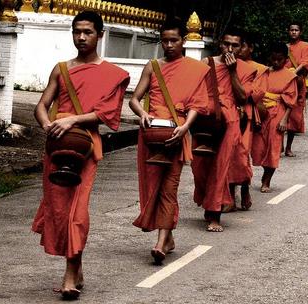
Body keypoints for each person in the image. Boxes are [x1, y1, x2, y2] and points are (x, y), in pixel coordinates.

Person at [32, 11, 130, 300]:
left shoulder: (113, 74)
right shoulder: (61, 69)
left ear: (100, 34)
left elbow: (107, 114)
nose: (81, 37)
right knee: (59, 210)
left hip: (84, 146)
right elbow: (41, 105)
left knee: (77, 211)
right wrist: (48, 124)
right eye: (76, 32)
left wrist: (72, 120)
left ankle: (70, 275)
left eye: (87, 32)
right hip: (57, 145)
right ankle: (77, 265)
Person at [129, 17, 210, 264]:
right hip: (153, 135)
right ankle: (169, 235)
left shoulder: (194, 69)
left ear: (183, 41)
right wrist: (143, 114)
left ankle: (161, 241)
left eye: (174, 40)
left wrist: (185, 127)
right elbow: (134, 99)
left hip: (177, 133)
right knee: (153, 186)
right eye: (165, 41)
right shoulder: (153, 66)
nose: (169, 45)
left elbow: (197, 103)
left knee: (169, 188)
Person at [191, 27, 256, 231]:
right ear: (220, 43)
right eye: (226, 44)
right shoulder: (205, 63)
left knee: (220, 168)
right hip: (204, 118)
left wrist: (233, 70)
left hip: (229, 122)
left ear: (241, 47)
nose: (230, 48)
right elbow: (194, 89)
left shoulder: (245, 69)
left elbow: (242, 97)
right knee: (199, 166)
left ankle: (214, 215)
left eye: (235, 45)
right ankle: (207, 200)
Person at [225, 34, 267, 212]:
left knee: (241, 157)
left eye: (239, 46)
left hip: (245, 116)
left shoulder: (258, 69)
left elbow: (257, 93)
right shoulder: (220, 65)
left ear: (248, 48)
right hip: (225, 115)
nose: (233, 50)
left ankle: (244, 188)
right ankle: (229, 197)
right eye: (228, 45)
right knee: (227, 157)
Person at [252, 42, 298, 193]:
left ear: (285, 60)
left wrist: (285, 119)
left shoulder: (290, 76)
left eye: (280, 60)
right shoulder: (262, 72)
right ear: (270, 58)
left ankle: (266, 180)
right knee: (259, 146)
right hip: (260, 111)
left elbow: (291, 101)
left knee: (274, 146)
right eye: (274, 59)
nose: (276, 62)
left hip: (278, 112)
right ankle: (263, 170)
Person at [284, 23, 308, 157]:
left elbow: (306, 63)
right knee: (279, 113)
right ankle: (279, 145)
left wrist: (294, 73)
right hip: (284, 83)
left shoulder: (305, 46)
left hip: (298, 83)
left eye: (296, 30)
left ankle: (288, 147)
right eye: (292, 30)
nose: (294, 32)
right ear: (288, 32)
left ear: (300, 32)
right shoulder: (285, 47)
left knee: (294, 116)